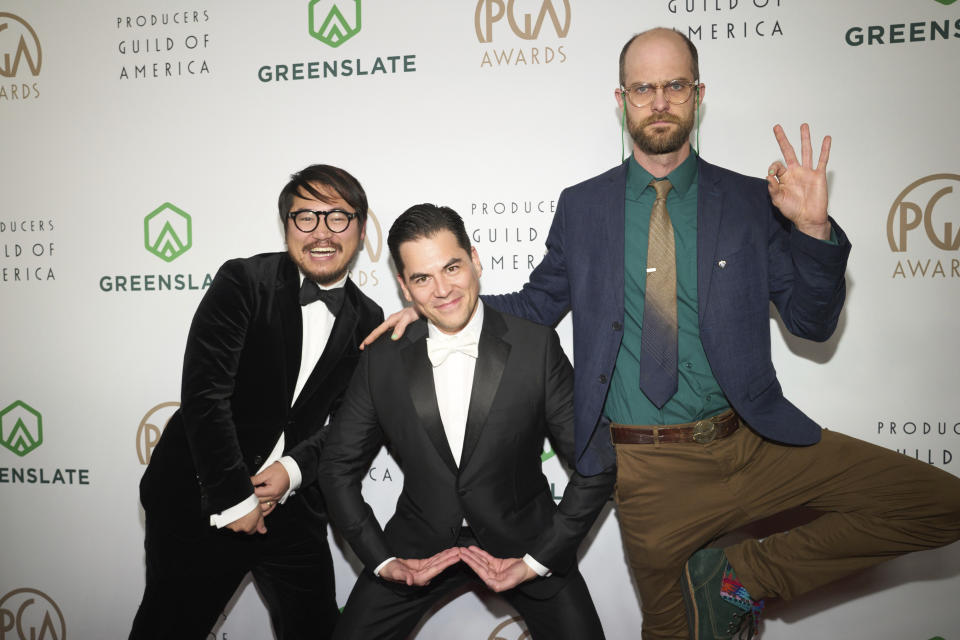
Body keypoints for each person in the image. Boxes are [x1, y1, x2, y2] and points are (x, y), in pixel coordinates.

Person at [366, 28, 960, 640]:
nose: (659, 102)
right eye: (643, 88)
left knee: (940, 505)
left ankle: (742, 575)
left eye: (674, 86)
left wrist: (811, 230)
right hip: (648, 471)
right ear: (621, 98)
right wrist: (442, 302)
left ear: (697, 95)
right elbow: (538, 304)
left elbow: (813, 324)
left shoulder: (754, 200)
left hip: (754, 442)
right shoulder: (583, 206)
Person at [316, 204, 615, 640]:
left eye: (451, 267)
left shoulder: (536, 347)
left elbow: (595, 465)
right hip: (417, 547)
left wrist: (536, 560)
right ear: (404, 286)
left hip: (528, 541)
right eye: (422, 278)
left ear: (475, 260)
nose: (441, 289)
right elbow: (336, 467)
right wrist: (382, 559)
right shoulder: (380, 361)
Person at [130, 164, 383, 639]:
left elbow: (350, 424)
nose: (321, 232)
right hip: (201, 495)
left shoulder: (367, 316)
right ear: (286, 224)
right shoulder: (244, 281)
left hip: (292, 507)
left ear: (361, 228)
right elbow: (206, 395)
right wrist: (235, 498)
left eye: (338, 217)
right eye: (305, 216)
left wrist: (292, 470)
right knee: (168, 627)